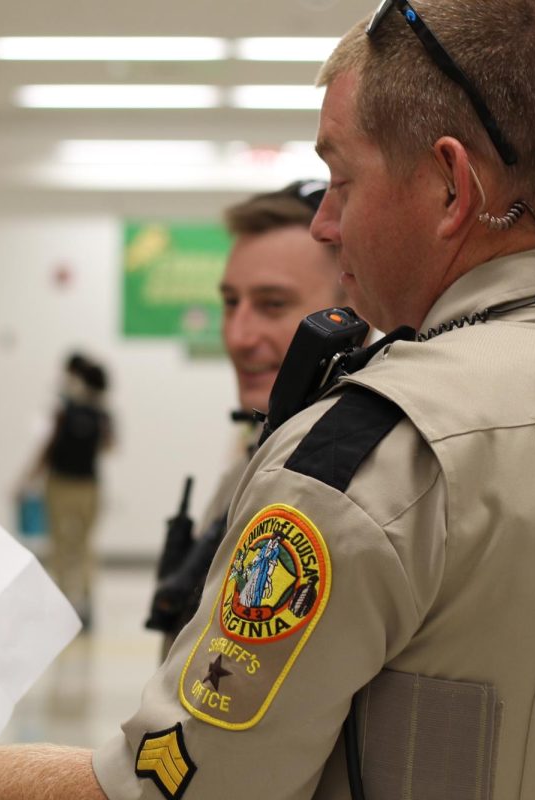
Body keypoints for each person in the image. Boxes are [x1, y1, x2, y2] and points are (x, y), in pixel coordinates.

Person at [0, 0, 535, 797]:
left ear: (451, 188)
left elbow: (167, 792)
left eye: (342, 178)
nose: (326, 223)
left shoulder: (375, 456)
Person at [148, 180, 343, 654]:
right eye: (231, 303)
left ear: (351, 312)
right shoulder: (257, 454)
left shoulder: (344, 481)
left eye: (272, 304)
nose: (237, 335)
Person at [22, 352, 113, 628]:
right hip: (90, 485)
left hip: (61, 483)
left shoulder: (64, 409)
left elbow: (48, 448)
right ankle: (86, 602)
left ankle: (64, 601)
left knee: (61, 545)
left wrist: (28, 478)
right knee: (85, 546)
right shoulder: (102, 413)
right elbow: (109, 446)